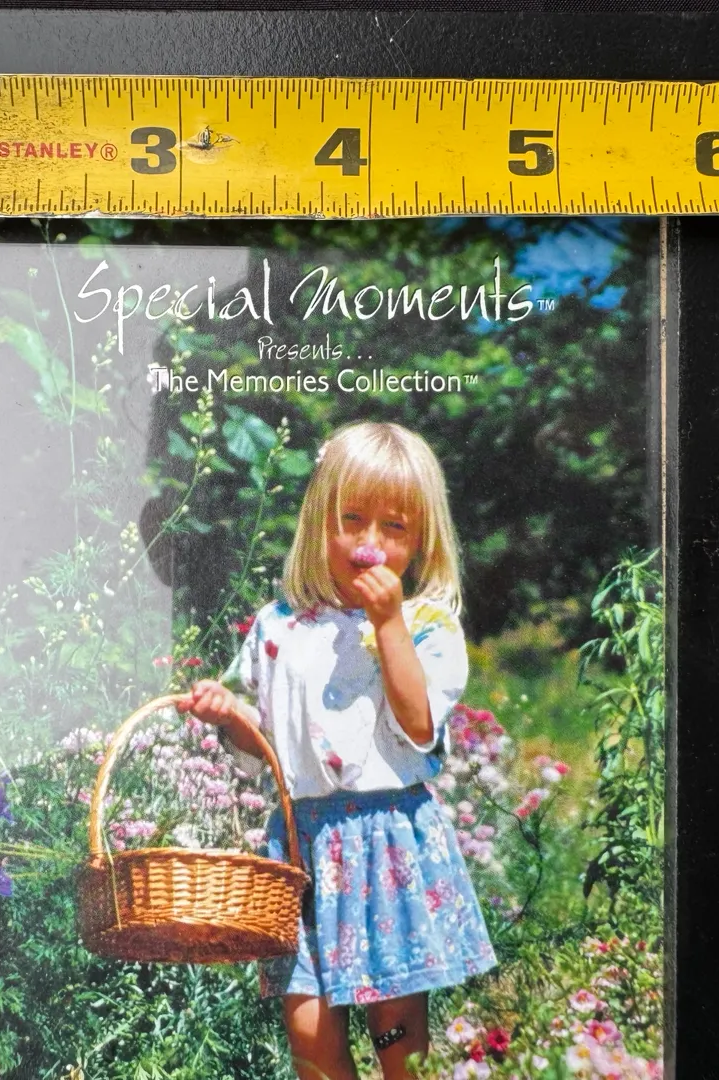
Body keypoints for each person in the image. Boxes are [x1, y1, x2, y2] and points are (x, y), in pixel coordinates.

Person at [178, 421, 497, 1080]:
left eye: (393, 528)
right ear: (318, 521)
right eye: (351, 519)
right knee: (308, 1028)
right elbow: (265, 750)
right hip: (301, 849)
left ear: (421, 540)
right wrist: (230, 717)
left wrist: (388, 624)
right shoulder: (278, 626)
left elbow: (418, 726)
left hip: (387, 843)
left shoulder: (426, 625)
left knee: (394, 1030)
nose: (369, 543)